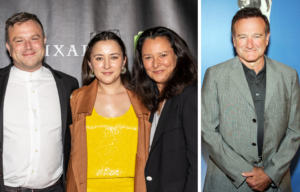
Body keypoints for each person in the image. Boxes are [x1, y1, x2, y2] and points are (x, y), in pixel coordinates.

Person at [202, 7, 300, 192]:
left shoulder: (289, 76)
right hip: (227, 183)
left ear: (267, 38)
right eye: (242, 37)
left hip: (276, 183)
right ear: (233, 39)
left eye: (256, 36)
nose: (249, 44)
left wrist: (270, 173)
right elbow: (208, 131)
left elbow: (295, 130)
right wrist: (245, 171)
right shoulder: (215, 75)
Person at [0, 12, 79, 192]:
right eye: (19, 40)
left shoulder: (68, 84)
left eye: (34, 38)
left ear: (44, 40)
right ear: (8, 47)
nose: (28, 46)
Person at [66, 30, 151, 192]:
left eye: (114, 57)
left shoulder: (143, 100)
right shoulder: (76, 98)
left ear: (124, 61)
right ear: (90, 64)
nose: (106, 65)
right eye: (99, 58)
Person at [132, 26, 198, 192]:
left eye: (163, 55)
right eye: (148, 57)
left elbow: (196, 163)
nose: (155, 64)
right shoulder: (150, 101)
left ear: (177, 55)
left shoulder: (190, 96)